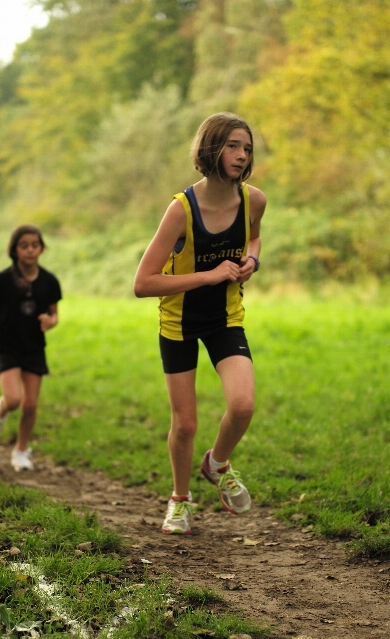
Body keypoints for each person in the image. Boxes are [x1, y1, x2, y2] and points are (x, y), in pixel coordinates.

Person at [133, 112, 267, 534]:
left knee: (243, 405)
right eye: (232, 145)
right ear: (211, 149)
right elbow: (143, 283)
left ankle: (218, 463)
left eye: (246, 148)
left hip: (226, 318)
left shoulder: (254, 200)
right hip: (179, 323)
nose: (241, 155)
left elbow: (255, 236)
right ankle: (179, 500)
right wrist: (209, 275)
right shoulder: (181, 209)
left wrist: (252, 260)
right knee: (185, 423)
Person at [0, 225, 61, 472]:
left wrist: (50, 321)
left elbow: (54, 314)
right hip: (7, 346)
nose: (29, 250)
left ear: (42, 248)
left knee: (31, 405)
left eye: (34, 245)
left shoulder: (49, 281)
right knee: (14, 399)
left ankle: (21, 451)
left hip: (34, 346)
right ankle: (0, 409)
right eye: (23, 245)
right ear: (14, 250)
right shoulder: (1, 280)